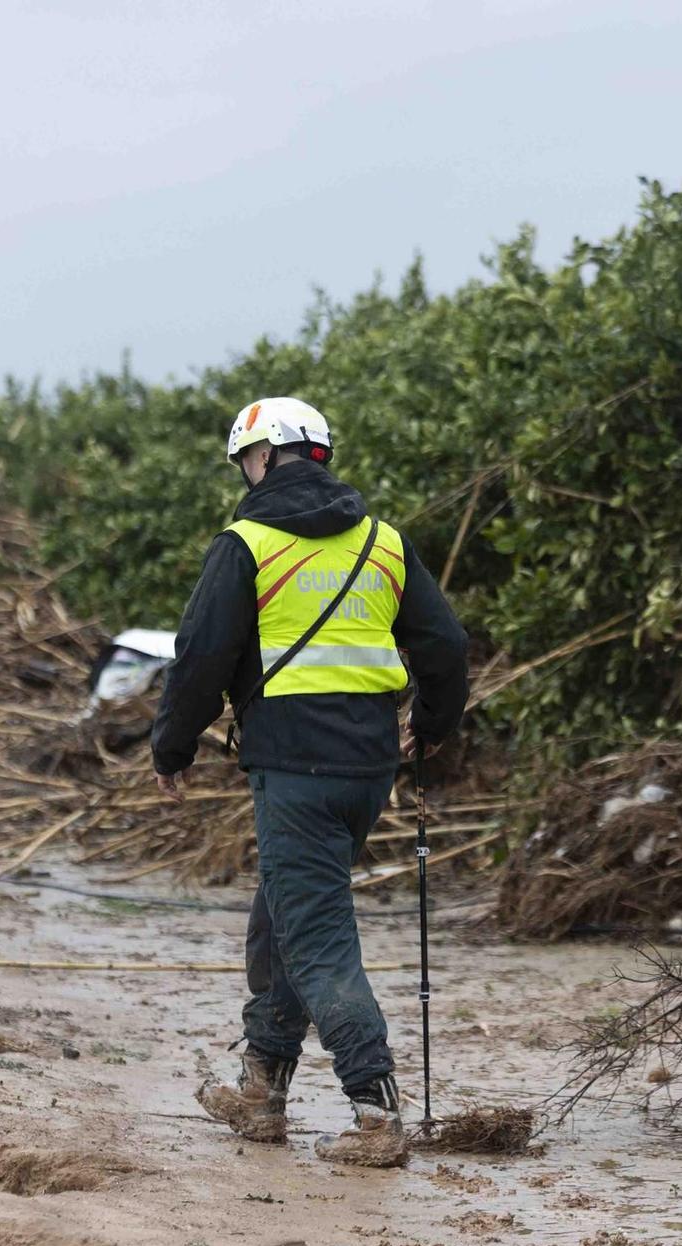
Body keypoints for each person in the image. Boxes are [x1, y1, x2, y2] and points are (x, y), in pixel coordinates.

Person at [152, 396, 469, 1167]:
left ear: (259, 458)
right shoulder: (384, 542)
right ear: (318, 454)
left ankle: (374, 1108)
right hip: (366, 772)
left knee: (319, 938)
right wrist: (429, 724)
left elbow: (199, 658)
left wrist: (172, 747)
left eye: (244, 462)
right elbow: (447, 647)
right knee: (283, 919)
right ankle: (261, 1087)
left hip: (293, 772)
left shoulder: (245, 543)